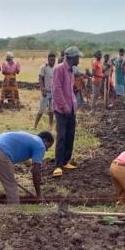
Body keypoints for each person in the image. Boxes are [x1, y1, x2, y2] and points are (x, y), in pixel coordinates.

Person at [0, 131, 54, 204]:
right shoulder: (40, 145)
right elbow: (36, 171)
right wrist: (39, 195)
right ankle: (15, 210)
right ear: (45, 140)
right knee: (11, 184)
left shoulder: (31, 139)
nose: (46, 150)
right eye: (48, 146)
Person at [52, 46, 82, 177]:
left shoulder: (71, 71)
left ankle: (65, 161)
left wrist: (73, 105)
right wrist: (64, 107)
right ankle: (58, 165)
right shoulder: (59, 69)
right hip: (61, 110)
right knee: (61, 136)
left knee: (70, 135)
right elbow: (57, 90)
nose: (79, 60)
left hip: (71, 108)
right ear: (72, 58)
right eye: (78, 57)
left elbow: (70, 90)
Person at [34, 52, 56, 130]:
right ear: (48, 60)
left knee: (51, 110)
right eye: (51, 60)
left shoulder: (55, 69)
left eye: (54, 60)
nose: (52, 62)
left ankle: (51, 126)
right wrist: (42, 89)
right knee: (41, 109)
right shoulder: (43, 67)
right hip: (45, 92)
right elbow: (40, 78)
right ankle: (35, 126)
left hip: (53, 92)